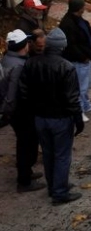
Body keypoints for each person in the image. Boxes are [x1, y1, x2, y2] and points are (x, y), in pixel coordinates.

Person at [18, 28, 83, 205]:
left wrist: (32, 110)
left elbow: (23, 91)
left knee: (48, 153)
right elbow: (72, 98)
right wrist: (78, 119)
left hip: (40, 118)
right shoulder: (66, 67)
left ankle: (53, 186)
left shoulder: (31, 63)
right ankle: (60, 193)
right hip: (60, 119)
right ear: (62, 47)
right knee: (62, 155)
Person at [1, 30, 45, 192]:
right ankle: (24, 181)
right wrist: (9, 113)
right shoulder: (19, 66)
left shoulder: (8, 58)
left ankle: (27, 172)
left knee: (24, 142)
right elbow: (13, 94)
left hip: (15, 111)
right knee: (26, 143)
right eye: (27, 43)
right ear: (23, 46)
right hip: (21, 111)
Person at [59, 0, 91, 122]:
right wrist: (82, 57)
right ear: (78, 8)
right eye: (83, 6)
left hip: (85, 58)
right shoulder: (68, 24)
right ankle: (79, 110)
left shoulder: (78, 19)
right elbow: (70, 45)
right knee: (79, 87)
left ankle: (87, 105)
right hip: (77, 60)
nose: (85, 8)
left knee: (86, 85)